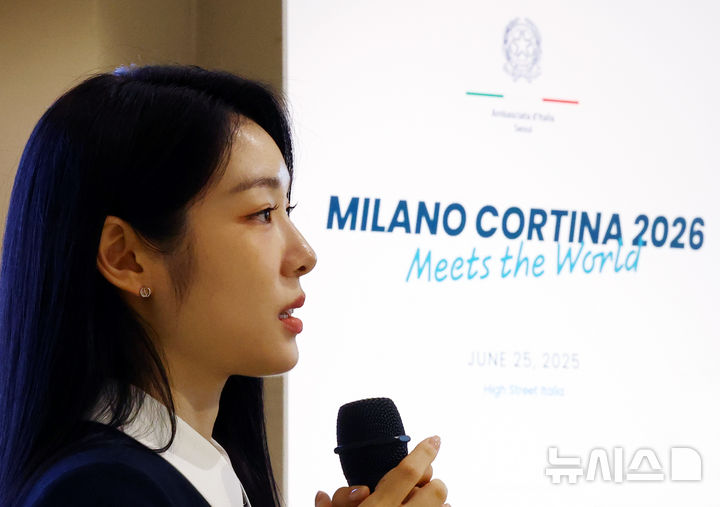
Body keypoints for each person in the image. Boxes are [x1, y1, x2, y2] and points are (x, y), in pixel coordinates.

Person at [0, 65, 449, 506]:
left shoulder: (203, 471)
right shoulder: (99, 492)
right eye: (262, 213)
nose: (305, 255)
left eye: (287, 210)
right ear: (127, 258)